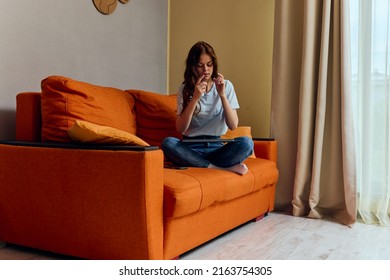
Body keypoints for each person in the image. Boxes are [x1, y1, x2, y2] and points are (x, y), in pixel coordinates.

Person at [161, 41, 253, 175]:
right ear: (193, 67)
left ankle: (201, 164)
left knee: (246, 143)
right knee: (168, 143)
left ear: (214, 64)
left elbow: (233, 125)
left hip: (216, 147)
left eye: (209, 64)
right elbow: (180, 129)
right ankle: (218, 168)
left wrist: (222, 95)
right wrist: (195, 98)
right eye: (200, 65)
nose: (206, 70)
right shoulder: (185, 88)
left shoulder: (226, 86)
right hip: (191, 147)